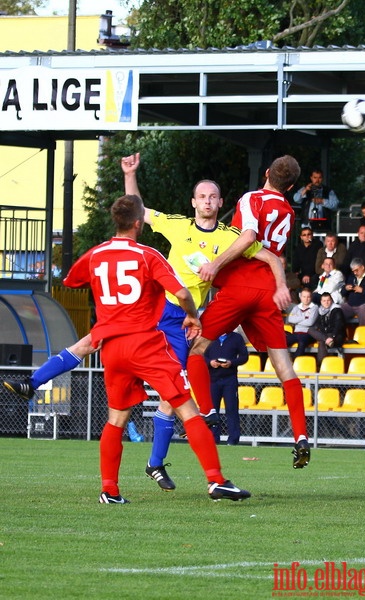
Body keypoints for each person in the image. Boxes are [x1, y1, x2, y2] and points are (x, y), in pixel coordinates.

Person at [3, 153, 276, 492]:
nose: (207, 200)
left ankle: (154, 463)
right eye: (201, 195)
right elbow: (138, 211)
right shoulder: (175, 227)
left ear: (221, 202)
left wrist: (271, 278)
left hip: (176, 326)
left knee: (163, 396)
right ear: (193, 202)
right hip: (158, 312)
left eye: (212, 196)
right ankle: (204, 476)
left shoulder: (230, 236)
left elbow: (263, 253)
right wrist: (130, 175)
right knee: (169, 393)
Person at [62, 194, 251, 503]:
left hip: (112, 346)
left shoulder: (97, 254)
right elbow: (179, 291)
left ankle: (110, 489)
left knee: (117, 418)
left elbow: (72, 281)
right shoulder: (148, 255)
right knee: (187, 409)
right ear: (139, 223)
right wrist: (193, 315)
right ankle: (216, 481)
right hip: (147, 342)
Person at [188, 154, 311, 469]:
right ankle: (300, 436)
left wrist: (214, 264)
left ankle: (207, 412)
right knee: (284, 367)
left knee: (196, 348)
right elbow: (273, 251)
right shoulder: (287, 211)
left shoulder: (251, 198)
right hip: (268, 292)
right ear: (292, 186)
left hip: (240, 287)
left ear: (267, 172)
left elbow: (249, 238)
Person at [204, 330, 248, 445]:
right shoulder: (210, 336)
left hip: (230, 379)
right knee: (213, 410)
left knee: (232, 410)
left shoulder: (237, 338)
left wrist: (231, 363)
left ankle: (233, 439)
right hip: (212, 380)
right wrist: (210, 363)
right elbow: (201, 355)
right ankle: (213, 439)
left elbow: (244, 357)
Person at [307, 292, 346, 366]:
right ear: (321, 302)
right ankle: (325, 339)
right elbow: (317, 324)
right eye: (324, 301)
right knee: (310, 329)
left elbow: (338, 326)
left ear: (331, 301)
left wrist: (332, 337)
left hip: (336, 336)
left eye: (328, 300)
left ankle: (321, 366)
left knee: (321, 342)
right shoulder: (320, 311)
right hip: (326, 335)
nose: (326, 303)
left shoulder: (337, 310)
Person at [286, 288, 319, 357]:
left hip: (308, 334)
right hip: (296, 333)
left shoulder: (314, 308)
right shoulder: (296, 307)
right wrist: (304, 317)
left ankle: (295, 362)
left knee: (302, 342)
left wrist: (297, 320)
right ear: (300, 297)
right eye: (304, 297)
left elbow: (310, 322)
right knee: (283, 341)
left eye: (308, 297)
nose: (306, 299)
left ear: (311, 297)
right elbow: (290, 319)